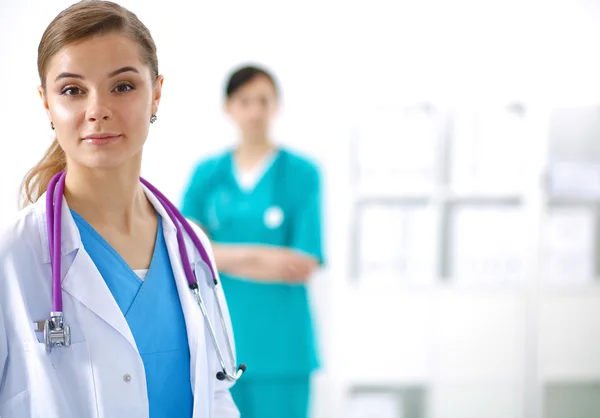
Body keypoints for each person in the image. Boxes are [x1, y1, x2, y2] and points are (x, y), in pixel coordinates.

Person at [0, 1, 240, 417]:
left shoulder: (191, 247)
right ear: (46, 104)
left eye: (123, 86)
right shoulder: (13, 255)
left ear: (156, 95)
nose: (98, 110)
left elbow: (216, 394)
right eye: (72, 90)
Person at [181, 65, 325, 418]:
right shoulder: (207, 175)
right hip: (220, 345)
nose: (255, 111)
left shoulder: (302, 173)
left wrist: (216, 254)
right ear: (229, 107)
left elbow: (301, 263)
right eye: (245, 101)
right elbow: (186, 252)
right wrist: (267, 258)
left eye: (263, 101)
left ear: (277, 106)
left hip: (283, 349)